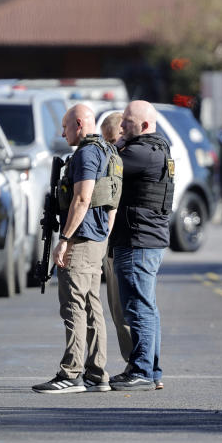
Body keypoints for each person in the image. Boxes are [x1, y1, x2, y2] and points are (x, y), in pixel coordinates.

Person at [32, 104, 118, 394]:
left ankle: (71, 374)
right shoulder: (106, 150)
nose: (62, 131)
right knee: (92, 306)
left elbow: (82, 199)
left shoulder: (87, 153)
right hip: (97, 238)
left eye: (66, 125)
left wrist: (64, 239)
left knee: (73, 307)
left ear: (80, 123)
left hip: (82, 239)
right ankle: (96, 373)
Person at [109, 100, 173, 391]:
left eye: (127, 123)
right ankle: (149, 368)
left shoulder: (141, 152)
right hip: (146, 239)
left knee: (137, 307)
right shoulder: (158, 148)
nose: (121, 127)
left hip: (138, 241)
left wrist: (117, 145)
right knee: (145, 306)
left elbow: (105, 165)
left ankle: (143, 370)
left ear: (144, 126)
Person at [99, 112, 132, 366]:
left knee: (121, 310)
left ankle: (136, 365)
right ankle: (142, 365)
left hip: (118, 243)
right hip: (132, 242)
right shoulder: (137, 156)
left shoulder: (118, 159)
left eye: (108, 140)